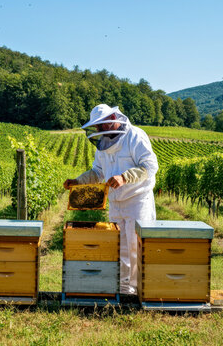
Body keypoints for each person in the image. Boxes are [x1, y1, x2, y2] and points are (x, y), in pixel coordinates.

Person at [63, 104, 158, 294]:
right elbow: (97, 172)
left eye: (101, 125)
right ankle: (123, 289)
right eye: (96, 126)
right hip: (115, 202)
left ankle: (139, 289)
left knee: (136, 246)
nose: (98, 130)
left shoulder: (135, 136)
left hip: (137, 201)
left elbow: (150, 167)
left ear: (114, 118)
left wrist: (125, 177)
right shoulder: (102, 145)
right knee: (118, 247)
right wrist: (78, 181)